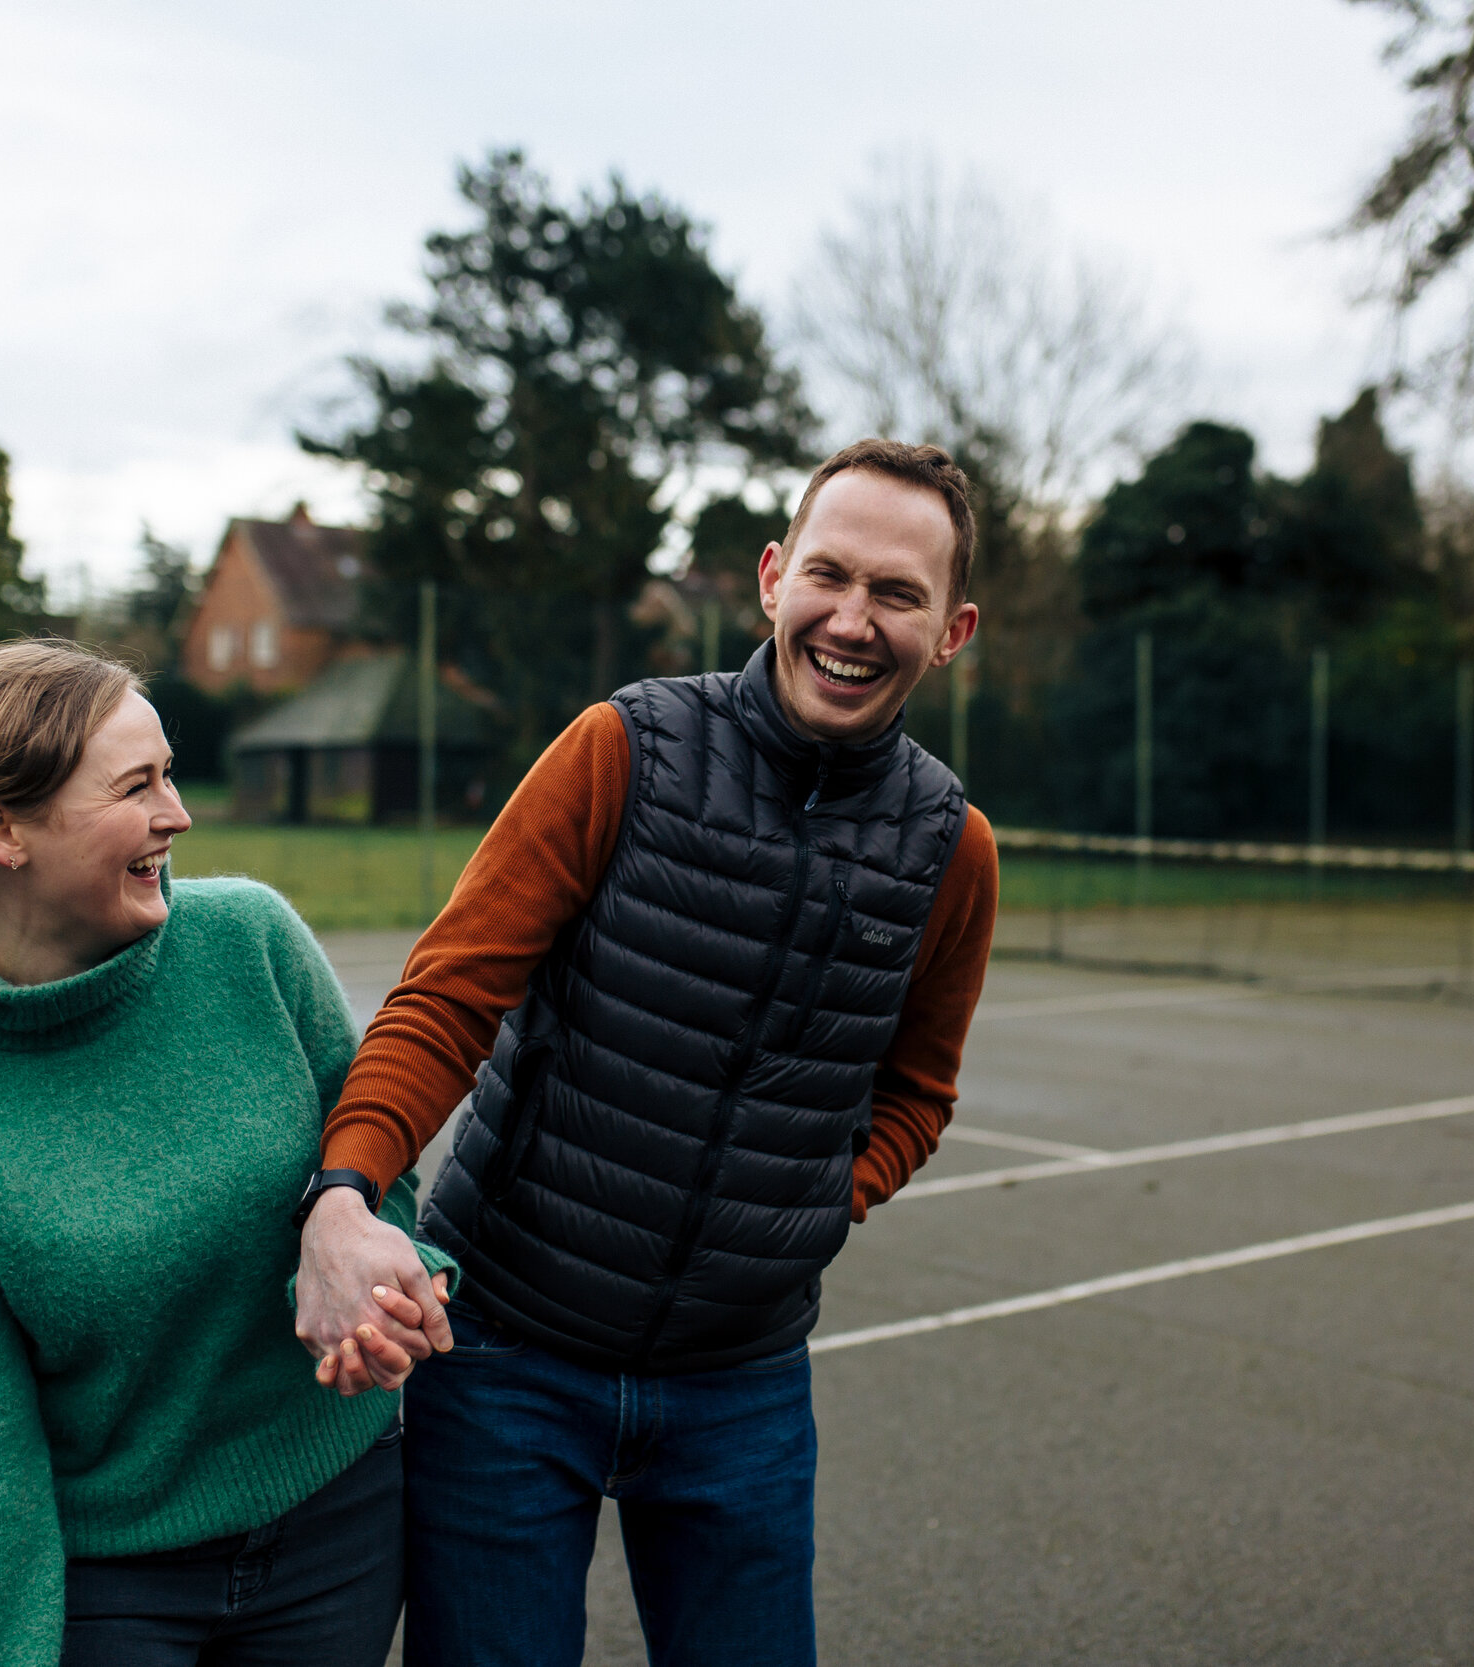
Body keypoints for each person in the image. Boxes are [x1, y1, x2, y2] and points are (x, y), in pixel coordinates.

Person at [291, 438, 1002, 1666]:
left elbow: (918, 1093)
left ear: (950, 630)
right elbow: (449, 993)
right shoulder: (624, 748)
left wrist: (811, 1204)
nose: (852, 618)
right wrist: (345, 1189)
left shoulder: (954, 847)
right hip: (508, 1353)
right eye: (829, 574)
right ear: (773, 577)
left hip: (743, 1383)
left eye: (898, 594)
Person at [0, 640, 454, 1667]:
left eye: (170, 772)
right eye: (138, 784)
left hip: (342, 1525)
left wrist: (388, 1274)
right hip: (111, 1591)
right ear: (3, 828)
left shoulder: (254, 943)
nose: (179, 811)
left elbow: (377, 1168)